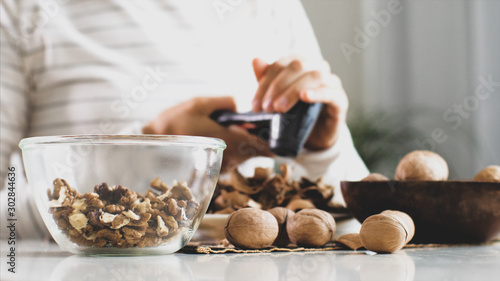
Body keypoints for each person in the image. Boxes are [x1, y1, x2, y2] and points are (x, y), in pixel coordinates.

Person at [0, 0, 368, 239]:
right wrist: (151, 150)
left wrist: (322, 149)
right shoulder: (20, 11)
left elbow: (348, 223)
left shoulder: (269, 7)